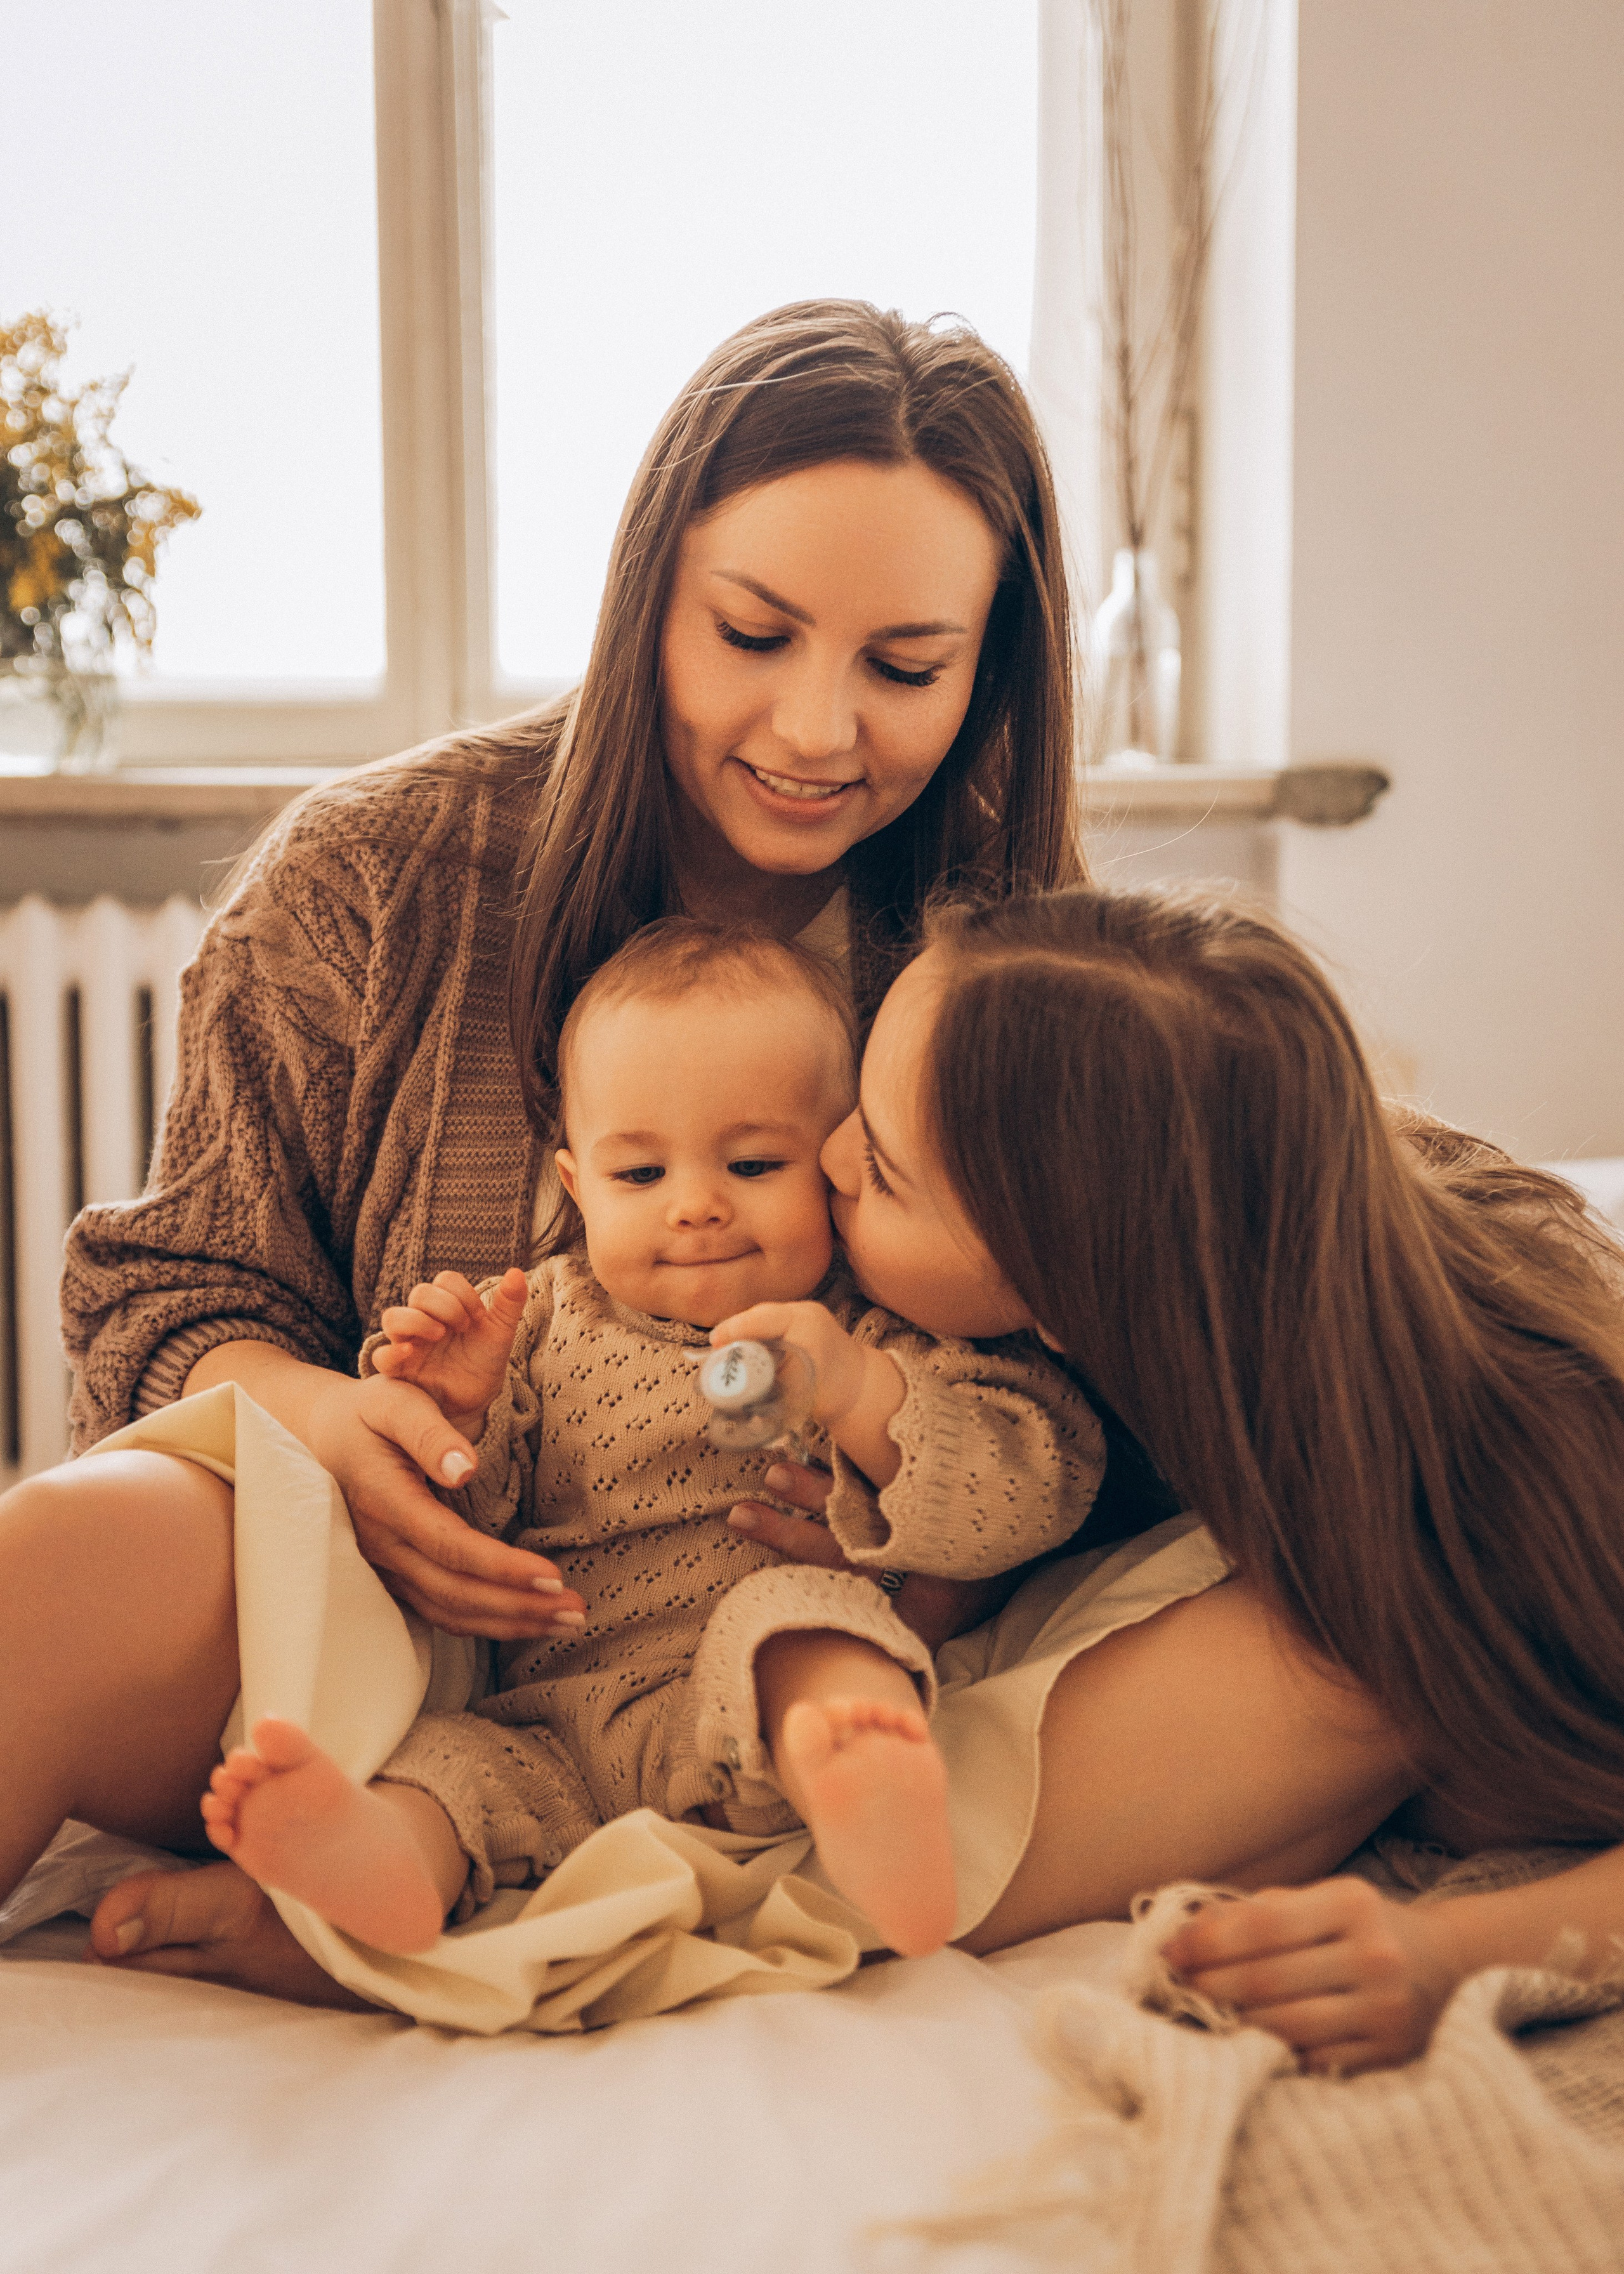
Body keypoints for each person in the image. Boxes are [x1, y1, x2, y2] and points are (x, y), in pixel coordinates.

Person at [0, 300, 1408, 2006]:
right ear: (647, 593)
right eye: (753, 633)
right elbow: (163, 1302)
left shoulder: (997, 966)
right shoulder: (376, 879)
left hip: (817, 1665)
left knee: (1372, 1621)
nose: (821, 732)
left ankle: (485, 1916)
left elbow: (1135, 1378)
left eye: (906, 668)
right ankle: (430, 1879)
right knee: (49, 1564)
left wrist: (914, 1499)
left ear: (992, 671)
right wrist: (341, 1422)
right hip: (370, 1638)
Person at [200, 917, 1103, 1958]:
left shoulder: (872, 1327)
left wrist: (859, 1394)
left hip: (750, 1705)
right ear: (576, 1188)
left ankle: (863, 1786)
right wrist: (458, 1416)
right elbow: (450, 1534)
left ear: (839, 1163)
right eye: (641, 1178)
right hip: (552, 1713)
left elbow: (1033, 1480)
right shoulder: (538, 1317)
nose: (698, 1210)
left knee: (801, 1624)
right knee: (447, 1771)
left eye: (756, 1163)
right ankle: (381, 1869)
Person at [890, 884, 1624, 2074]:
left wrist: (1463, 1951)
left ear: (1072, 1291)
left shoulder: (1505, 1477)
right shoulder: (1197, 1277)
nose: (813, 1158)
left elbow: (911, 1875)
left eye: (876, 1172)